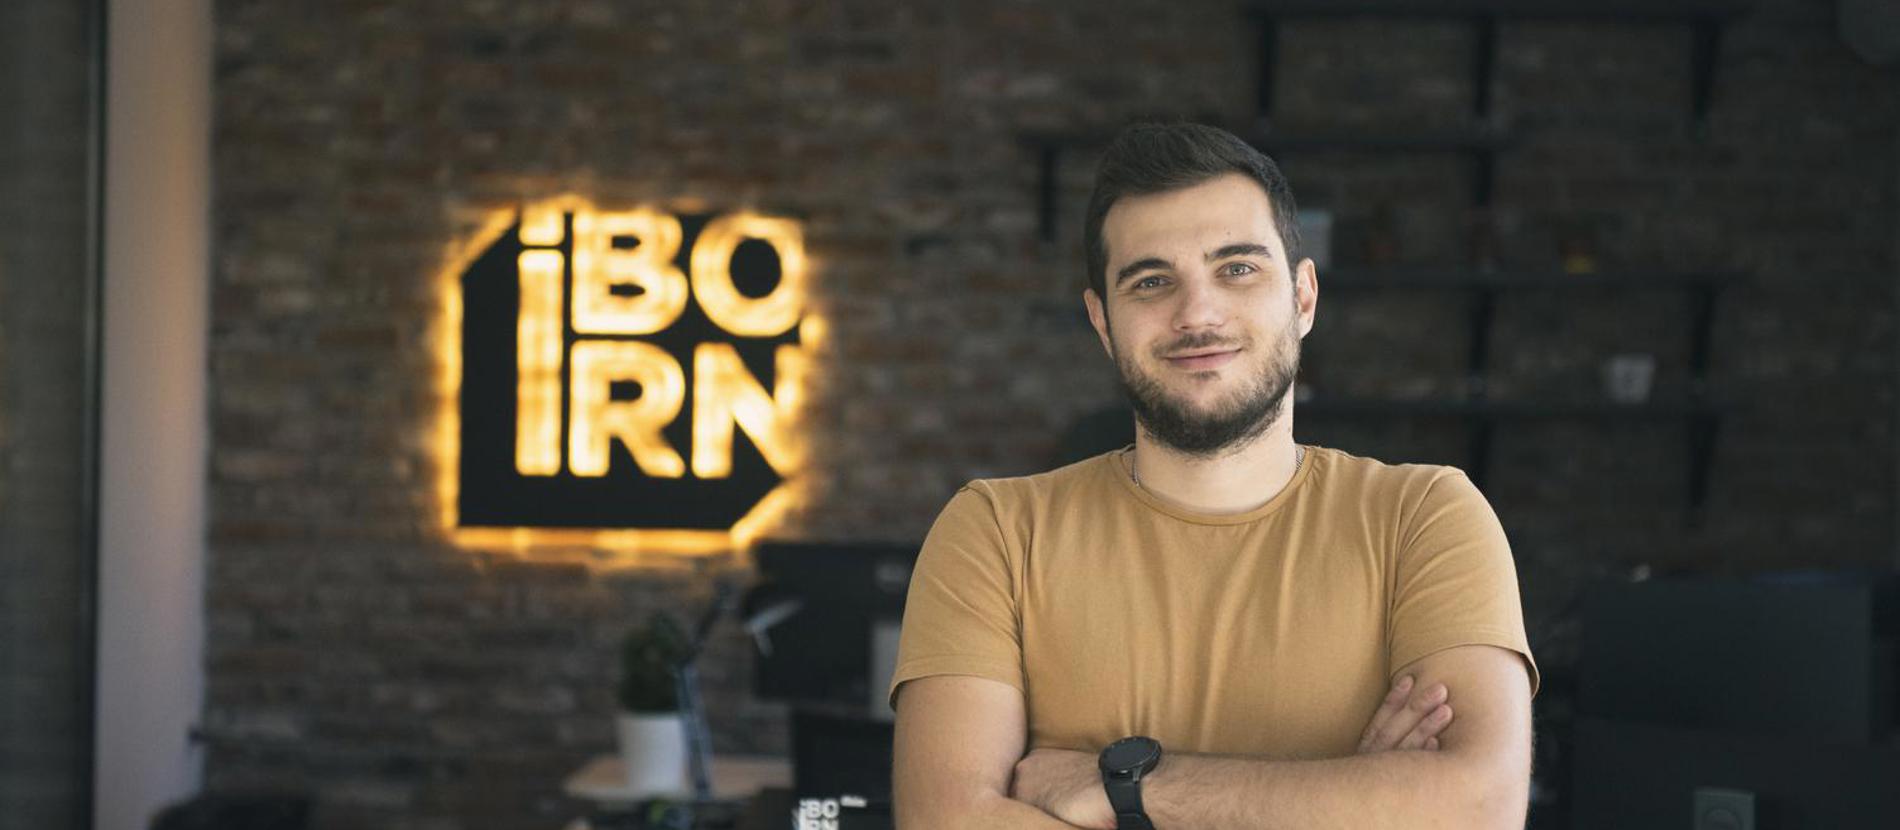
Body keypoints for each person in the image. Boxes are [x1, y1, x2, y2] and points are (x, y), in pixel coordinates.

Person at [888, 122, 1538, 830]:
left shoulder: (1425, 517)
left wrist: (1127, 790)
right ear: (1102, 323)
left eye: (1237, 268)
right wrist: (1350, 798)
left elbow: (1478, 809)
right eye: (1151, 281)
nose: (1196, 313)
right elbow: (949, 823)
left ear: (1303, 298)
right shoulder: (994, 534)